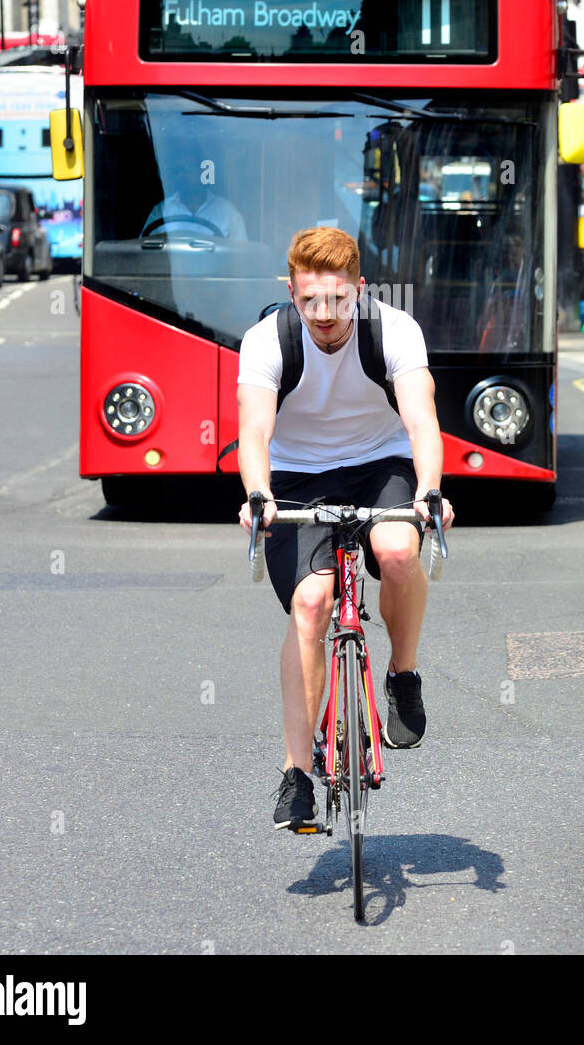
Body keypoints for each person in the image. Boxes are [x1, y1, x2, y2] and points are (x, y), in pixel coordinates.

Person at [236, 227, 454, 832]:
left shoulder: (395, 331)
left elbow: (421, 421)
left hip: (377, 463)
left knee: (398, 550)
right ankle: (296, 775)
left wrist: (430, 491)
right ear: (292, 292)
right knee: (311, 602)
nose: (324, 315)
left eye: (337, 300)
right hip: (297, 476)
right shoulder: (268, 340)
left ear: (360, 289)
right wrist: (258, 495)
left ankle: (402, 676)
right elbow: (253, 430)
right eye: (309, 301)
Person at [141, 144, 248, 240]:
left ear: (202, 172)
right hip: (171, 263)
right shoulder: (161, 211)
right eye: (177, 172)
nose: (181, 176)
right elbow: (144, 250)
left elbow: (240, 257)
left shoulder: (227, 213)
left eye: (186, 170)